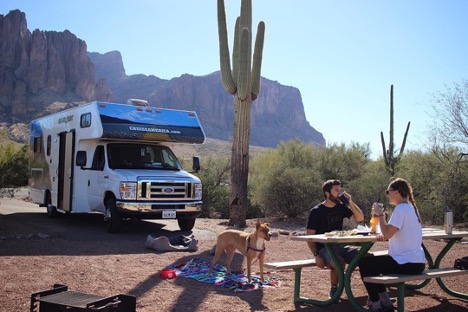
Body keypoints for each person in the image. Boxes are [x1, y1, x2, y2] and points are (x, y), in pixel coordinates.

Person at [358, 178, 425, 312]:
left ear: (396, 192)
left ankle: (376, 305)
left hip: (405, 262)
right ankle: (385, 302)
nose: (387, 195)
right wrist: (386, 231)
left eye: (388, 192)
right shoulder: (411, 208)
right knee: (373, 265)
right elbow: (393, 232)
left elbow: (388, 233)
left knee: (365, 264)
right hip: (417, 262)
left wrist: (380, 215)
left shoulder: (401, 209)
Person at [306, 179, 364, 299]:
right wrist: (316, 255)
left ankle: (376, 294)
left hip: (341, 246)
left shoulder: (340, 207)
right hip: (324, 249)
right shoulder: (316, 211)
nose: (339, 193)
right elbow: (309, 236)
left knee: (366, 257)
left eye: (340, 189)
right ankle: (334, 289)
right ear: (327, 193)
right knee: (339, 262)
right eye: (336, 190)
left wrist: (350, 202)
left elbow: (360, 218)